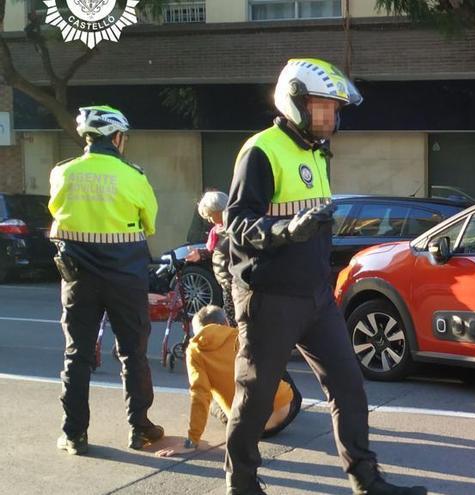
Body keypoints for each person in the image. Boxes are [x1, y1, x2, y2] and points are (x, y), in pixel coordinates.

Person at [224, 59, 427, 495]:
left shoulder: (315, 152)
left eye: (333, 110)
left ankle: (366, 479)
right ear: (294, 103)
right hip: (270, 296)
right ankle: (240, 485)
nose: (330, 118)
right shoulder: (261, 150)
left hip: (315, 296)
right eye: (321, 109)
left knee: (350, 388)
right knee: (256, 397)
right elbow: (236, 224)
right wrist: (285, 231)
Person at [49, 106, 164, 455]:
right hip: (125, 277)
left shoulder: (62, 172)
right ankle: (140, 429)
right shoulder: (133, 175)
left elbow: (55, 211)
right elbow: (150, 222)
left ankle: (74, 434)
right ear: (116, 138)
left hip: (79, 277)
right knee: (133, 354)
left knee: (77, 355)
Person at [156, 305, 302, 457]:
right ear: (225, 321)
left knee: (211, 400)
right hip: (287, 411)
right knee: (273, 365)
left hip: (250, 429)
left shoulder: (195, 350)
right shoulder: (242, 334)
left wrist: (192, 440)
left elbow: (199, 394)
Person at [186, 191, 236, 325]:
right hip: (226, 281)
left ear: (219, 210)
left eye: (210, 216)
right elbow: (213, 250)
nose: (209, 220)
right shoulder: (218, 230)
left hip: (235, 280)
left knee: (234, 318)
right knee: (230, 315)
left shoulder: (233, 228)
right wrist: (200, 254)